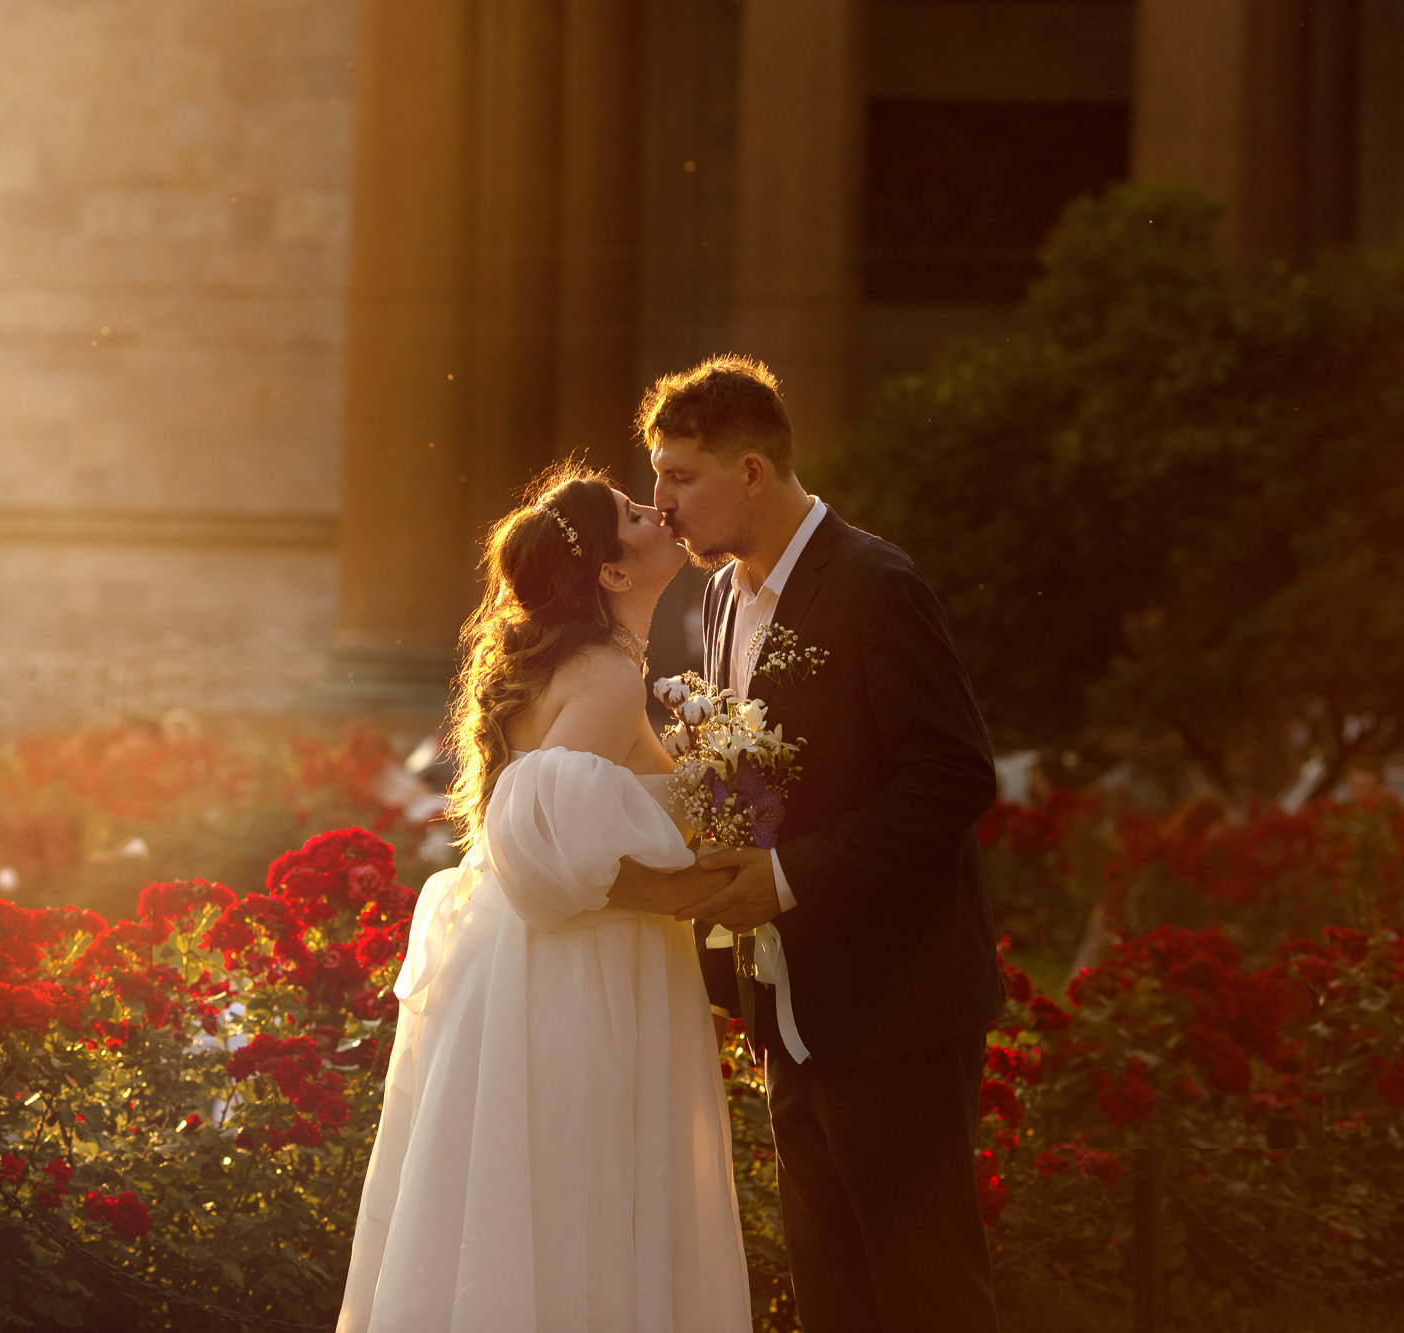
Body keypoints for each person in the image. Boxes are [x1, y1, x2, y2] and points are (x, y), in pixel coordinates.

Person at [337, 465, 756, 1332]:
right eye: (635, 512)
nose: (658, 509)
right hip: (578, 971)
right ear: (612, 571)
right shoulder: (606, 674)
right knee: (582, 1206)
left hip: (529, 960)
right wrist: (697, 889)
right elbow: (549, 845)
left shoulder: (591, 666)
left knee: (541, 1208)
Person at [646, 355, 1005, 1333]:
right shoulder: (721, 599)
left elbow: (955, 776)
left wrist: (787, 876)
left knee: (928, 1300)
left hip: (897, 1007)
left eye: (680, 477)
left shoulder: (876, 583)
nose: (662, 504)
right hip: (788, 1004)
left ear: (750, 472)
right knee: (830, 1298)